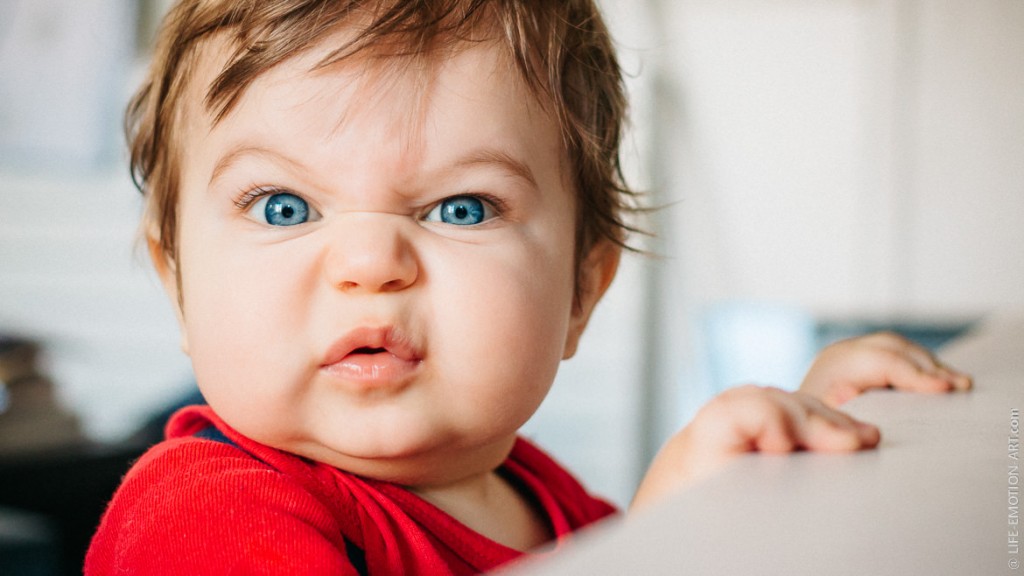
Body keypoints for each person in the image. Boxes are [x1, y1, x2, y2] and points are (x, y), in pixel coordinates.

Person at [85, 1, 972, 574]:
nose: (368, 264)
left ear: (583, 292)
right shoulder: (202, 516)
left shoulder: (554, 505)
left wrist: (781, 482)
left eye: (462, 208)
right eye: (283, 207)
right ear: (179, 289)